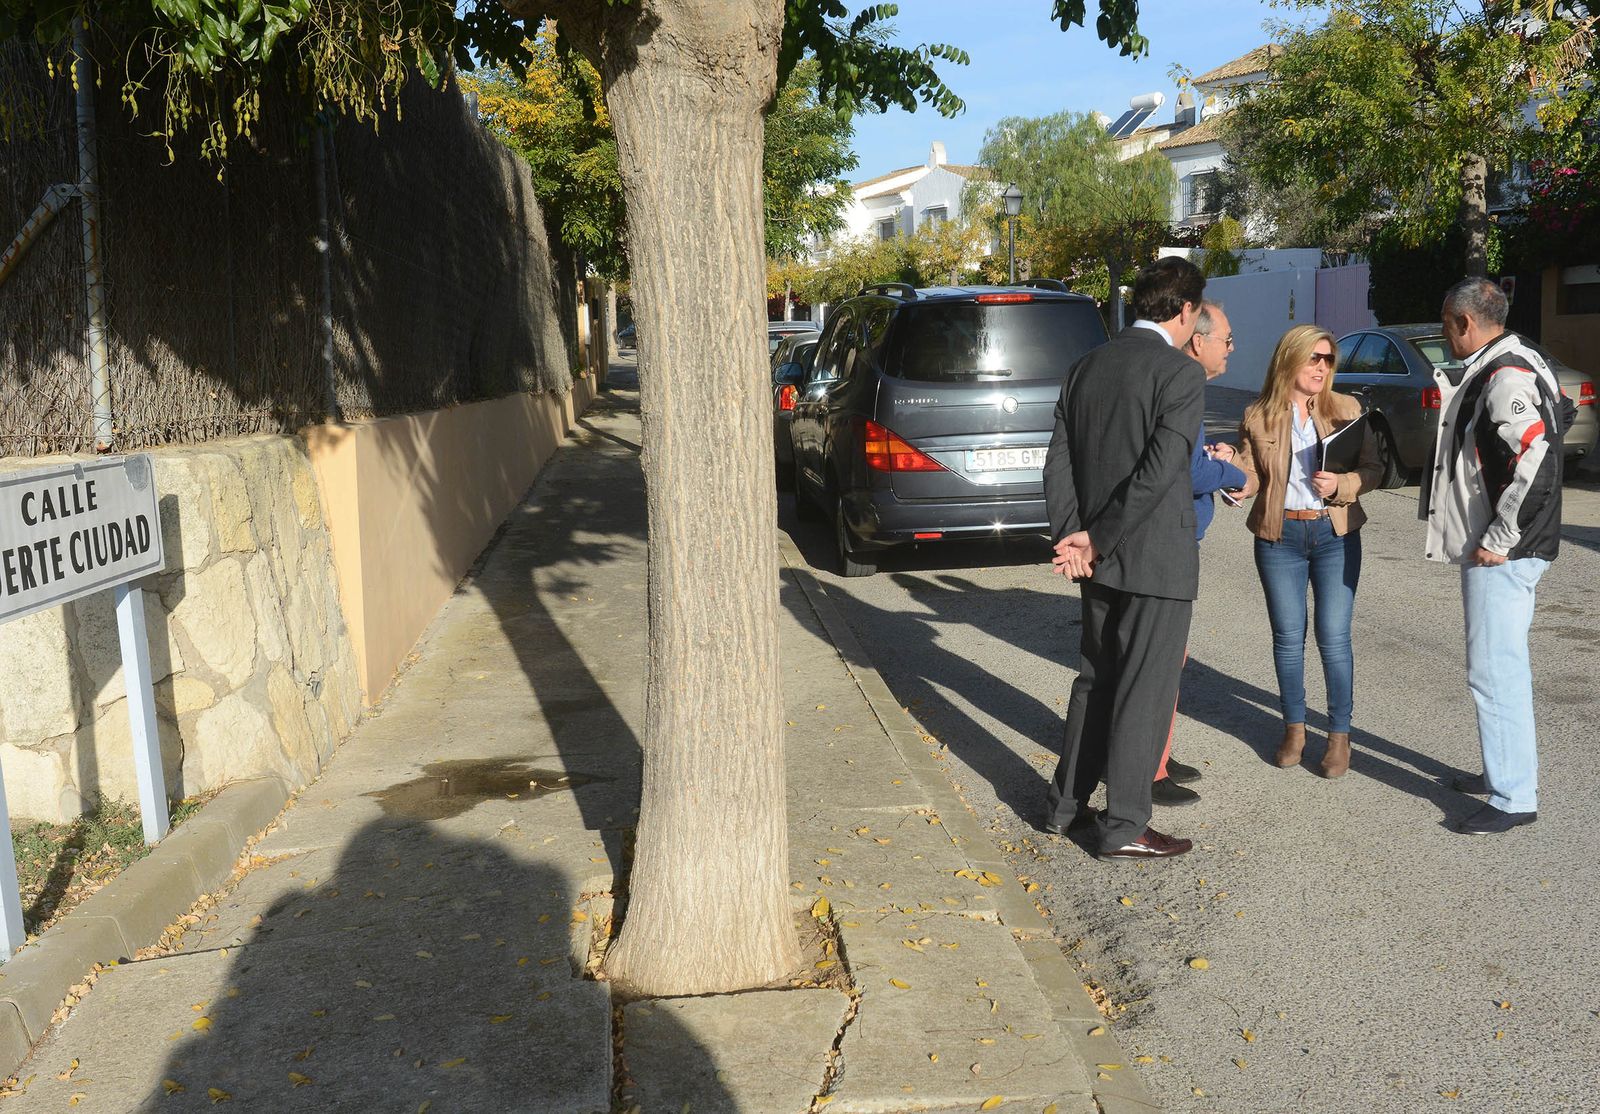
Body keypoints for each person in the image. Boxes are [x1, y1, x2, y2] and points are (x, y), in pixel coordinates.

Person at [1039, 256, 1207, 860]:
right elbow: (1162, 470)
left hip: (1093, 553)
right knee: (1145, 688)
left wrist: (1072, 534)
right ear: (1185, 310)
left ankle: (1065, 806)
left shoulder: (1085, 366)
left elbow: (1056, 459)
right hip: (1153, 556)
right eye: (1198, 316)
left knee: (1096, 677)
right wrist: (1098, 536)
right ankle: (1126, 825)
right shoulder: (1180, 374)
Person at [1427, 278, 1564, 835]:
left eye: (1445, 325)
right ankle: (1501, 772)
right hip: (1518, 545)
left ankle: (1513, 796)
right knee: (1501, 667)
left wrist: (1500, 536)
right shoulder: (1526, 356)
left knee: (1494, 672)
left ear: (1465, 322)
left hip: (1506, 552)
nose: (1444, 335)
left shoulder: (1505, 372)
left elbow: (1538, 454)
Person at [1234, 325, 1381, 777]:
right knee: (1287, 639)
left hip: (1334, 536)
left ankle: (1339, 736)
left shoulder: (1347, 410)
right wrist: (1232, 478)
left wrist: (1344, 484)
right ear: (1289, 359)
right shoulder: (1259, 415)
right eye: (1313, 358)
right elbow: (1252, 475)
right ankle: (1294, 729)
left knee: (1334, 638)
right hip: (1280, 539)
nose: (1321, 367)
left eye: (1328, 360)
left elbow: (1374, 468)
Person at [1151, 302, 1248, 807]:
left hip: (1174, 540)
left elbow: (1185, 458)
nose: (1232, 348)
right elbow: (1185, 471)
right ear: (1198, 341)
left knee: (1169, 659)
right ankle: (1149, 768)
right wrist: (1236, 474)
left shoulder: (1180, 383)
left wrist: (1211, 455)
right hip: (1168, 545)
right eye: (1226, 339)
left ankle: (1157, 757)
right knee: (1163, 661)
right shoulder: (1183, 385)